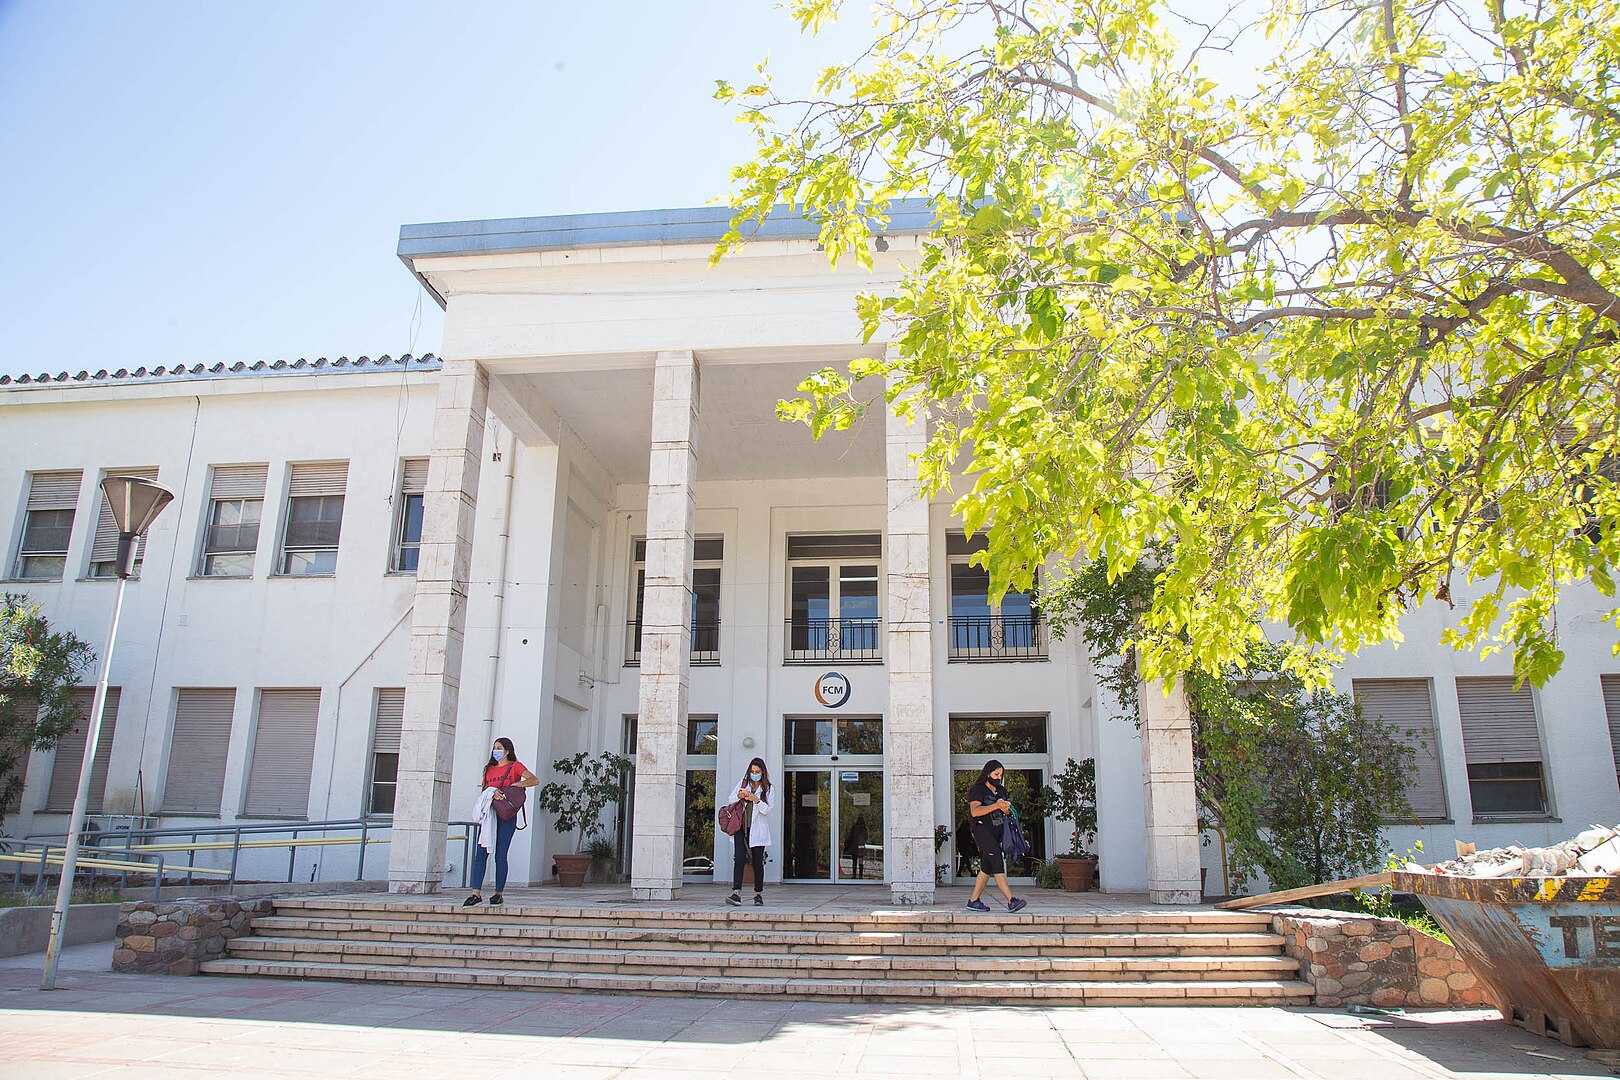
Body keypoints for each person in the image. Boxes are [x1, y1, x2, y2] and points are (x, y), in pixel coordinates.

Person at [465, 737, 538, 907]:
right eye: (494, 747)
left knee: (500, 854)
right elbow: (484, 789)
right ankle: (475, 892)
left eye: (499, 748)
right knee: (481, 853)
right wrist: (492, 792)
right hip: (490, 814)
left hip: (506, 814)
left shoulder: (515, 766)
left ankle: (499, 892)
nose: (495, 750)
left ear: (507, 751)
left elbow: (534, 780)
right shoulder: (488, 769)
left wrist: (516, 785)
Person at [965, 759, 1027, 912]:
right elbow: (975, 811)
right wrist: (995, 805)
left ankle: (973, 900)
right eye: (996, 774)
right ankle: (1011, 900)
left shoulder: (1002, 791)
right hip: (982, 831)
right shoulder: (978, 790)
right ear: (988, 773)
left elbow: (1004, 812)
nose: (998, 777)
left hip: (998, 831)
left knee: (987, 867)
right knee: (997, 862)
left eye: (1001, 774)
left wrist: (1005, 808)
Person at [726, 757, 773, 906]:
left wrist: (756, 800)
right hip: (741, 827)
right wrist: (739, 796)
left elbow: (767, 810)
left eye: (757, 772)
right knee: (739, 858)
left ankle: (758, 894)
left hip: (757, 829)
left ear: (762, 772)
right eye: (752, 771)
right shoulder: (743, 783)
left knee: (757, 862)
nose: (754, 774)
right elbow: (730, 799)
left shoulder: (769, 789)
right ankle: (736, 893)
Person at [843, 813, 869, 878]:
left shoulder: (854, 827)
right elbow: (866, 837)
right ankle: (861, 875)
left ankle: (854, 875)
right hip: (861, 847)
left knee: (854, 862)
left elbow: (850, 837)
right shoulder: (864, 828)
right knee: (861, 862)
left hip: (854, 847)